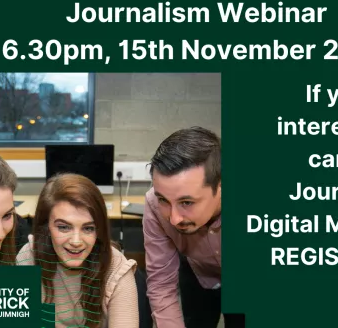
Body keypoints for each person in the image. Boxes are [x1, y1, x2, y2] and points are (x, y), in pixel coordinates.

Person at [143, 127, 242, 328]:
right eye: (164, 199)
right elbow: (161, 285)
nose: (174, 219)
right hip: (197, 273)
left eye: (187, 202)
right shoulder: (153, 204)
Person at [16, 173, 139, 328]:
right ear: (46, 227)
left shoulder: (117, 269)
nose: (76, 241)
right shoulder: (28, 258)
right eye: (64, 227)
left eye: (88, 228)